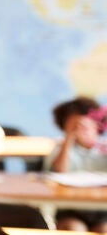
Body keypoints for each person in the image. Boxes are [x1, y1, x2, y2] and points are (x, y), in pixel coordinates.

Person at [46, 97, 107, 233]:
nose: (81, 129)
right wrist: (69, 139)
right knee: (74, 229)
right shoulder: (61, 148)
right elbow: (59, 170)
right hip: (71, 209)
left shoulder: (103, 148)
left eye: (87, 125)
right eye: (74, 126)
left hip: (102, 209)